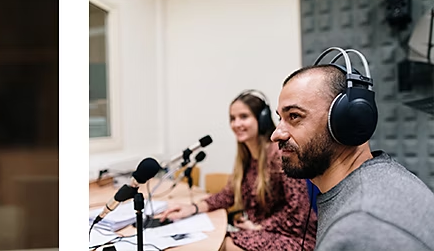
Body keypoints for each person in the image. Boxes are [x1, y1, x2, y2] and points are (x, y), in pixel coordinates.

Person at [272, 51, 434, 250]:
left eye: (294, 116)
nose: (276, 134)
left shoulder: (363, 230)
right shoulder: (379, 182)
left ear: (347, 120)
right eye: (280, 118)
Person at [160, 90, 317, 251]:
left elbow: (299, 211)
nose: (236, 124)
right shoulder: (246, 157)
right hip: (263, 230)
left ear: (261, 119)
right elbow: (228, 195)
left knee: (224, 243)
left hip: (295, 236)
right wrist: (192, 208)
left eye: (244, 117)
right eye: (233, 119)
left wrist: (260, 226)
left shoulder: (278, 154)